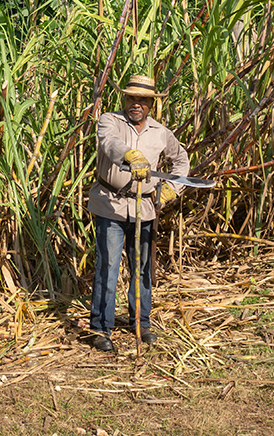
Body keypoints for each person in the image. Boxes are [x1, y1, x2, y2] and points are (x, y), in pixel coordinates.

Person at [87, 73, 190, 352]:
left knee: (142, 268)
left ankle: (141, 323)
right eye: (132, 98)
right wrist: (129, 156)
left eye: (143, 100)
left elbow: (181, 160)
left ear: (151, 104)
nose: (137, 104)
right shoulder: (110, 121)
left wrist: (170, 191)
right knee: (108, 266)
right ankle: (101, 328)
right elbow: (110, 143)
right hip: (110, 204)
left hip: (144, 208)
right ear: (125, 99)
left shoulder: (161, 132)